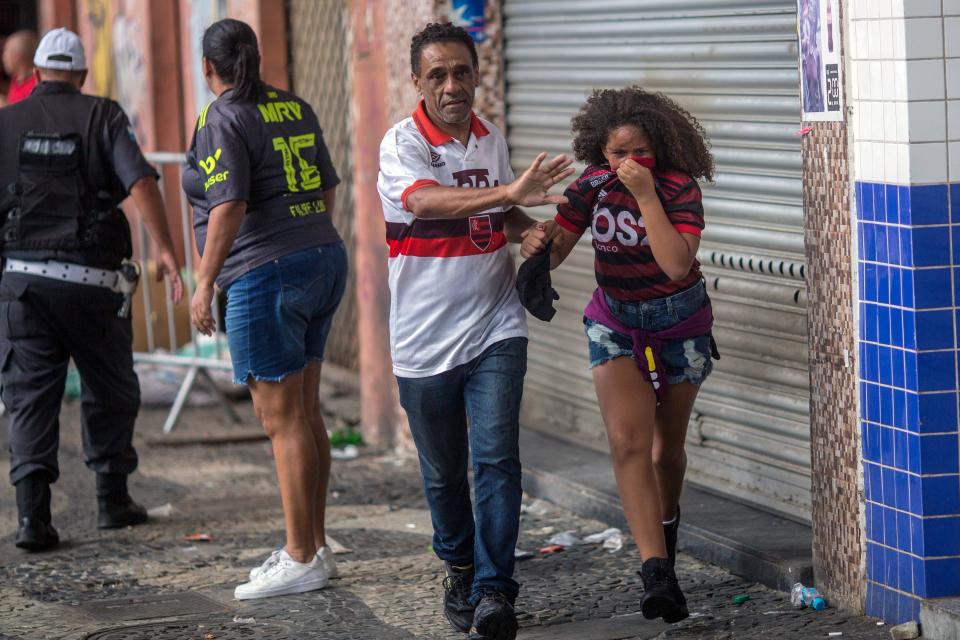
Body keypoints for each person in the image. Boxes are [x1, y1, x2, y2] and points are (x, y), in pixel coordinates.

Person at [377, 22, 572, 640]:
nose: (452, 84)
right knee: (442, 471)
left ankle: (493, 590)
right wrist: (510, 194)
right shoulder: (400, 143)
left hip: (495, 324)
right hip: (422, 339)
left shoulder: (490, 140)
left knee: (495, 460)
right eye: (437, 74)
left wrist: (527, 228)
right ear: (417, 82)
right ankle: (459, 566)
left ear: (478, 74)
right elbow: (424, 201)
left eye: (462, 71)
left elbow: (499, 208)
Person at [521, 86, 717, 624]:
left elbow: (678, 265)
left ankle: (666, 526)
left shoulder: (678, 189)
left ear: (659, 148)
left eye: (638, 153)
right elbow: (558, 244)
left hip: (680, 322)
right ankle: (656, 571)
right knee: (628, 442)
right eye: (617, 154)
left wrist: (648, 195)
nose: (628, 164)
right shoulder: (592, 187)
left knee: (664, 452)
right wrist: (539, 247)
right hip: (616, 322)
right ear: (599, 152)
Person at [0, 28, 184, 551]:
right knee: (109, 391)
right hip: (93, 286)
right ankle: (111, 501)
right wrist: (168, 254)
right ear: (81, 76)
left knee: (29, 397)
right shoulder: (102, 114)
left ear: (35, 74)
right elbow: (142, 183)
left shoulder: (5, 122)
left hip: (23, 286)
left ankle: (33, 519)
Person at [182, 18, 346, 601]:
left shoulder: (221, 117)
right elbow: (328, 187)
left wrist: (203, 284)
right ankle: (314, 546)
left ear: (209, 68)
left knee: (281, 420)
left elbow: (227, 205)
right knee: (304, 410)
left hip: (264, 273)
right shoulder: (293, 107)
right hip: (322, 257)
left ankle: (301, 555)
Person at [2, 30, 38, 105]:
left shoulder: (36, 86)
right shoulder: (17, 78)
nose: (3, 58)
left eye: (6, 53)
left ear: (17, 57)